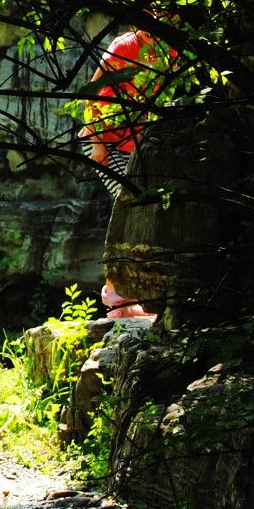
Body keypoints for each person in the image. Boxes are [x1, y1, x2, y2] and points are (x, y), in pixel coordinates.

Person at [79, 21, 176, 317]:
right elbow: (92, 92)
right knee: (127, 203)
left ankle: (129, 292)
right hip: (103, 140)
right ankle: (115, 292)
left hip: (133, 142)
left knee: (140, 207)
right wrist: (96, 142)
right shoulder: (124, 46)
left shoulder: (169, 50)